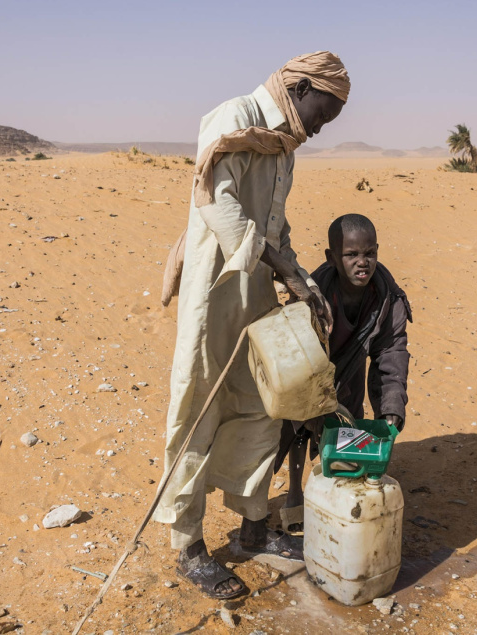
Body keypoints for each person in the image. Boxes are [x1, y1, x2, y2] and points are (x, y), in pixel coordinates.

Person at [154, 52, 350, 600]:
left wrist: (302, 280)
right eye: (321, 113)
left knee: (262, 406)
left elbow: (274, 227)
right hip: (215, 293)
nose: (319, 128)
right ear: (301, 88)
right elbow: (219, 205)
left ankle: (253, 528)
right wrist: (282, 266)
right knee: (198, 408)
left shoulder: (283, 148)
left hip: (257, 292)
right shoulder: (235, 117)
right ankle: (189, 546)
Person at [274, 213, 412, 534]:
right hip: (311, 371)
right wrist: (316, 398)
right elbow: (296, 348)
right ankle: (294, 495)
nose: (362, 262)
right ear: (332, 257)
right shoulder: (313, 295)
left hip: (350, 375)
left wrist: (391, 406)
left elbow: (391, 352)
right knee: (298, 426)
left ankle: (337, 498)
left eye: (370, 253)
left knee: (347, 433)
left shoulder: (387, 298)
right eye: (351, 255)